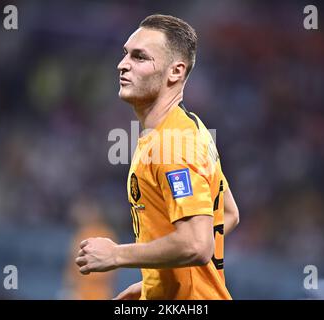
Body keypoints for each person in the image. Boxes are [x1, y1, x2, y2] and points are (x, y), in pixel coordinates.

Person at [75, 14, 239, 300]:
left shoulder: (174, 144)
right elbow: (226, 213)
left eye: (139, 57)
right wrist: (157, 281)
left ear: (175, 72)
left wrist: (116, 254)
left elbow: (198, 245)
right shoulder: (187, 127)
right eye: (125, 54)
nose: (122, 64)